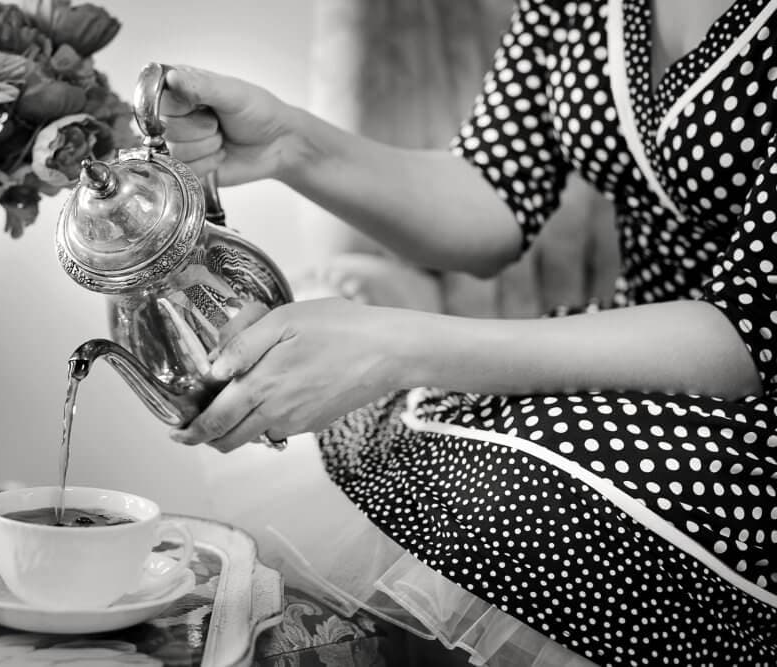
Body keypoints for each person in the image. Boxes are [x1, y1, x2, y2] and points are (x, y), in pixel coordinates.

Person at [161, 0, 777, 664]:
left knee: (526, 496)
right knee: (379, 428)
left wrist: (395, 348)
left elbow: (745, 334)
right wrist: (290, 143)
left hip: (743, 401)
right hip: (632, 360)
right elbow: (494, 189)